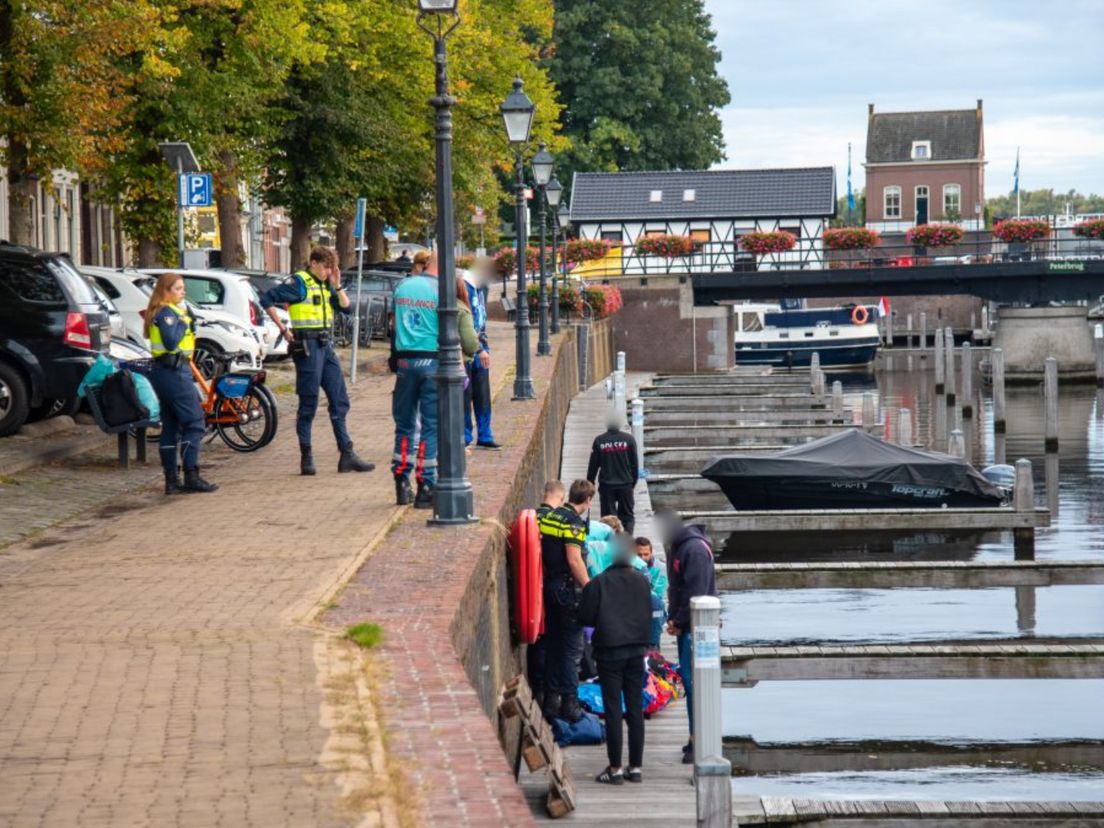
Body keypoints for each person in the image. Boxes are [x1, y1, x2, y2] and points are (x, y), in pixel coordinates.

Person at [260, 247, 375, 477]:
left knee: (339, 399)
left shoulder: (325, 285)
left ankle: (347, 454)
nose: (327, 271)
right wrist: (284, 329)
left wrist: (338, 283)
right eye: (325, 266)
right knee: (309, 403)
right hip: (308, 347)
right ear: (313, 262)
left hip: (325, 346)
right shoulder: (299, 283)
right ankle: (307, 456)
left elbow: (347, 308)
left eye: (331, 267)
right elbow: (267, 299)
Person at [578, 533, 652, 785]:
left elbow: (586, 618)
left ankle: (616, 768)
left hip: (609, 653)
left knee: (612, 709)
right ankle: (637, 767)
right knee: (635, 710)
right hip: (636, 653)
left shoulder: (598, 583)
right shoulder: (643, 581)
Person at [143, 273, 218, 494]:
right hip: (173, 372)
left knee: (172, 426)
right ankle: (191, 475)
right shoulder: (167, 313)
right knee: (195, 422)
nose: (183, 292)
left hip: (169, 371)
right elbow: (170, 340)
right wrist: (184, 324)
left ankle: (171, 481)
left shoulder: (169, 311)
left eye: (183, 288)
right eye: (178, 288)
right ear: (165, 292)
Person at [656, 509, 717, 764]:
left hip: (699, 629)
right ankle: (694, 736)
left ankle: (700, 739)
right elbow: (676, 587)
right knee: (690, 682)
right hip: (686, 625)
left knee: (696, 685)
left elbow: (697, 590)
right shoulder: (677, 548)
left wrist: (679, 621)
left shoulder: (694, 551)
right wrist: (674, 618)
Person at [537, 478, 595, 722]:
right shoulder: (573, 523)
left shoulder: (550, 516)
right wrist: (590, 588)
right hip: (566, 591)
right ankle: (570, 705)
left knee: (553, 646)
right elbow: (574, 560)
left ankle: (551, 701)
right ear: (589, 500)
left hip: (548, 588)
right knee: (572, 650)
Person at [389, 253, 441, 508]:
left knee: (405, 423)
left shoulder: (402, 286)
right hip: (431, 361)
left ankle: (401, 480)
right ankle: (426, 485)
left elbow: (393, 326)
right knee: (431, 426)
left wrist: (394, 357)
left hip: (405, 363)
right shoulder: (440, 290)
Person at [528, 480, 566, 709]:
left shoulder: (532, 518)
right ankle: (551, 698)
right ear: (561, 498)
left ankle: (538, 689)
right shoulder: (557, 521)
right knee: (555, 643)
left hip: (533, 592)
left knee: (537, 642)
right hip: (553, 589)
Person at [462, 263, 500, 450]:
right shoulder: (465, 287)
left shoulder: (479, 289)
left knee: (482, 394)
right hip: (469, 351)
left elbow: (481, 321)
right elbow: (467, 324)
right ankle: (467, 434)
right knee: (466, 393)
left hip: (481, 348)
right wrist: (479, 349)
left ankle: (484, 434)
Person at [586, 412, 639, 533]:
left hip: (606, 485)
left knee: (608, 517)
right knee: (627, 515)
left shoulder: (599, 441)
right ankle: (628, 538)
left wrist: (590, 482)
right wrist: (633, 482)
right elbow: (635, 464)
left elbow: (593, 465)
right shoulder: (629, 440)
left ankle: (610, 540)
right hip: (625, 483)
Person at [635, 537, 668, 649]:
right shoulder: (629, 565)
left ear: (651, 553)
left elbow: (657, 594)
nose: (643, 558)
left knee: (656, 606)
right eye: (639, 555)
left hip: (652, 608)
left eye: (646, 554)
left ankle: (653, 647)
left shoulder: (660, 568)